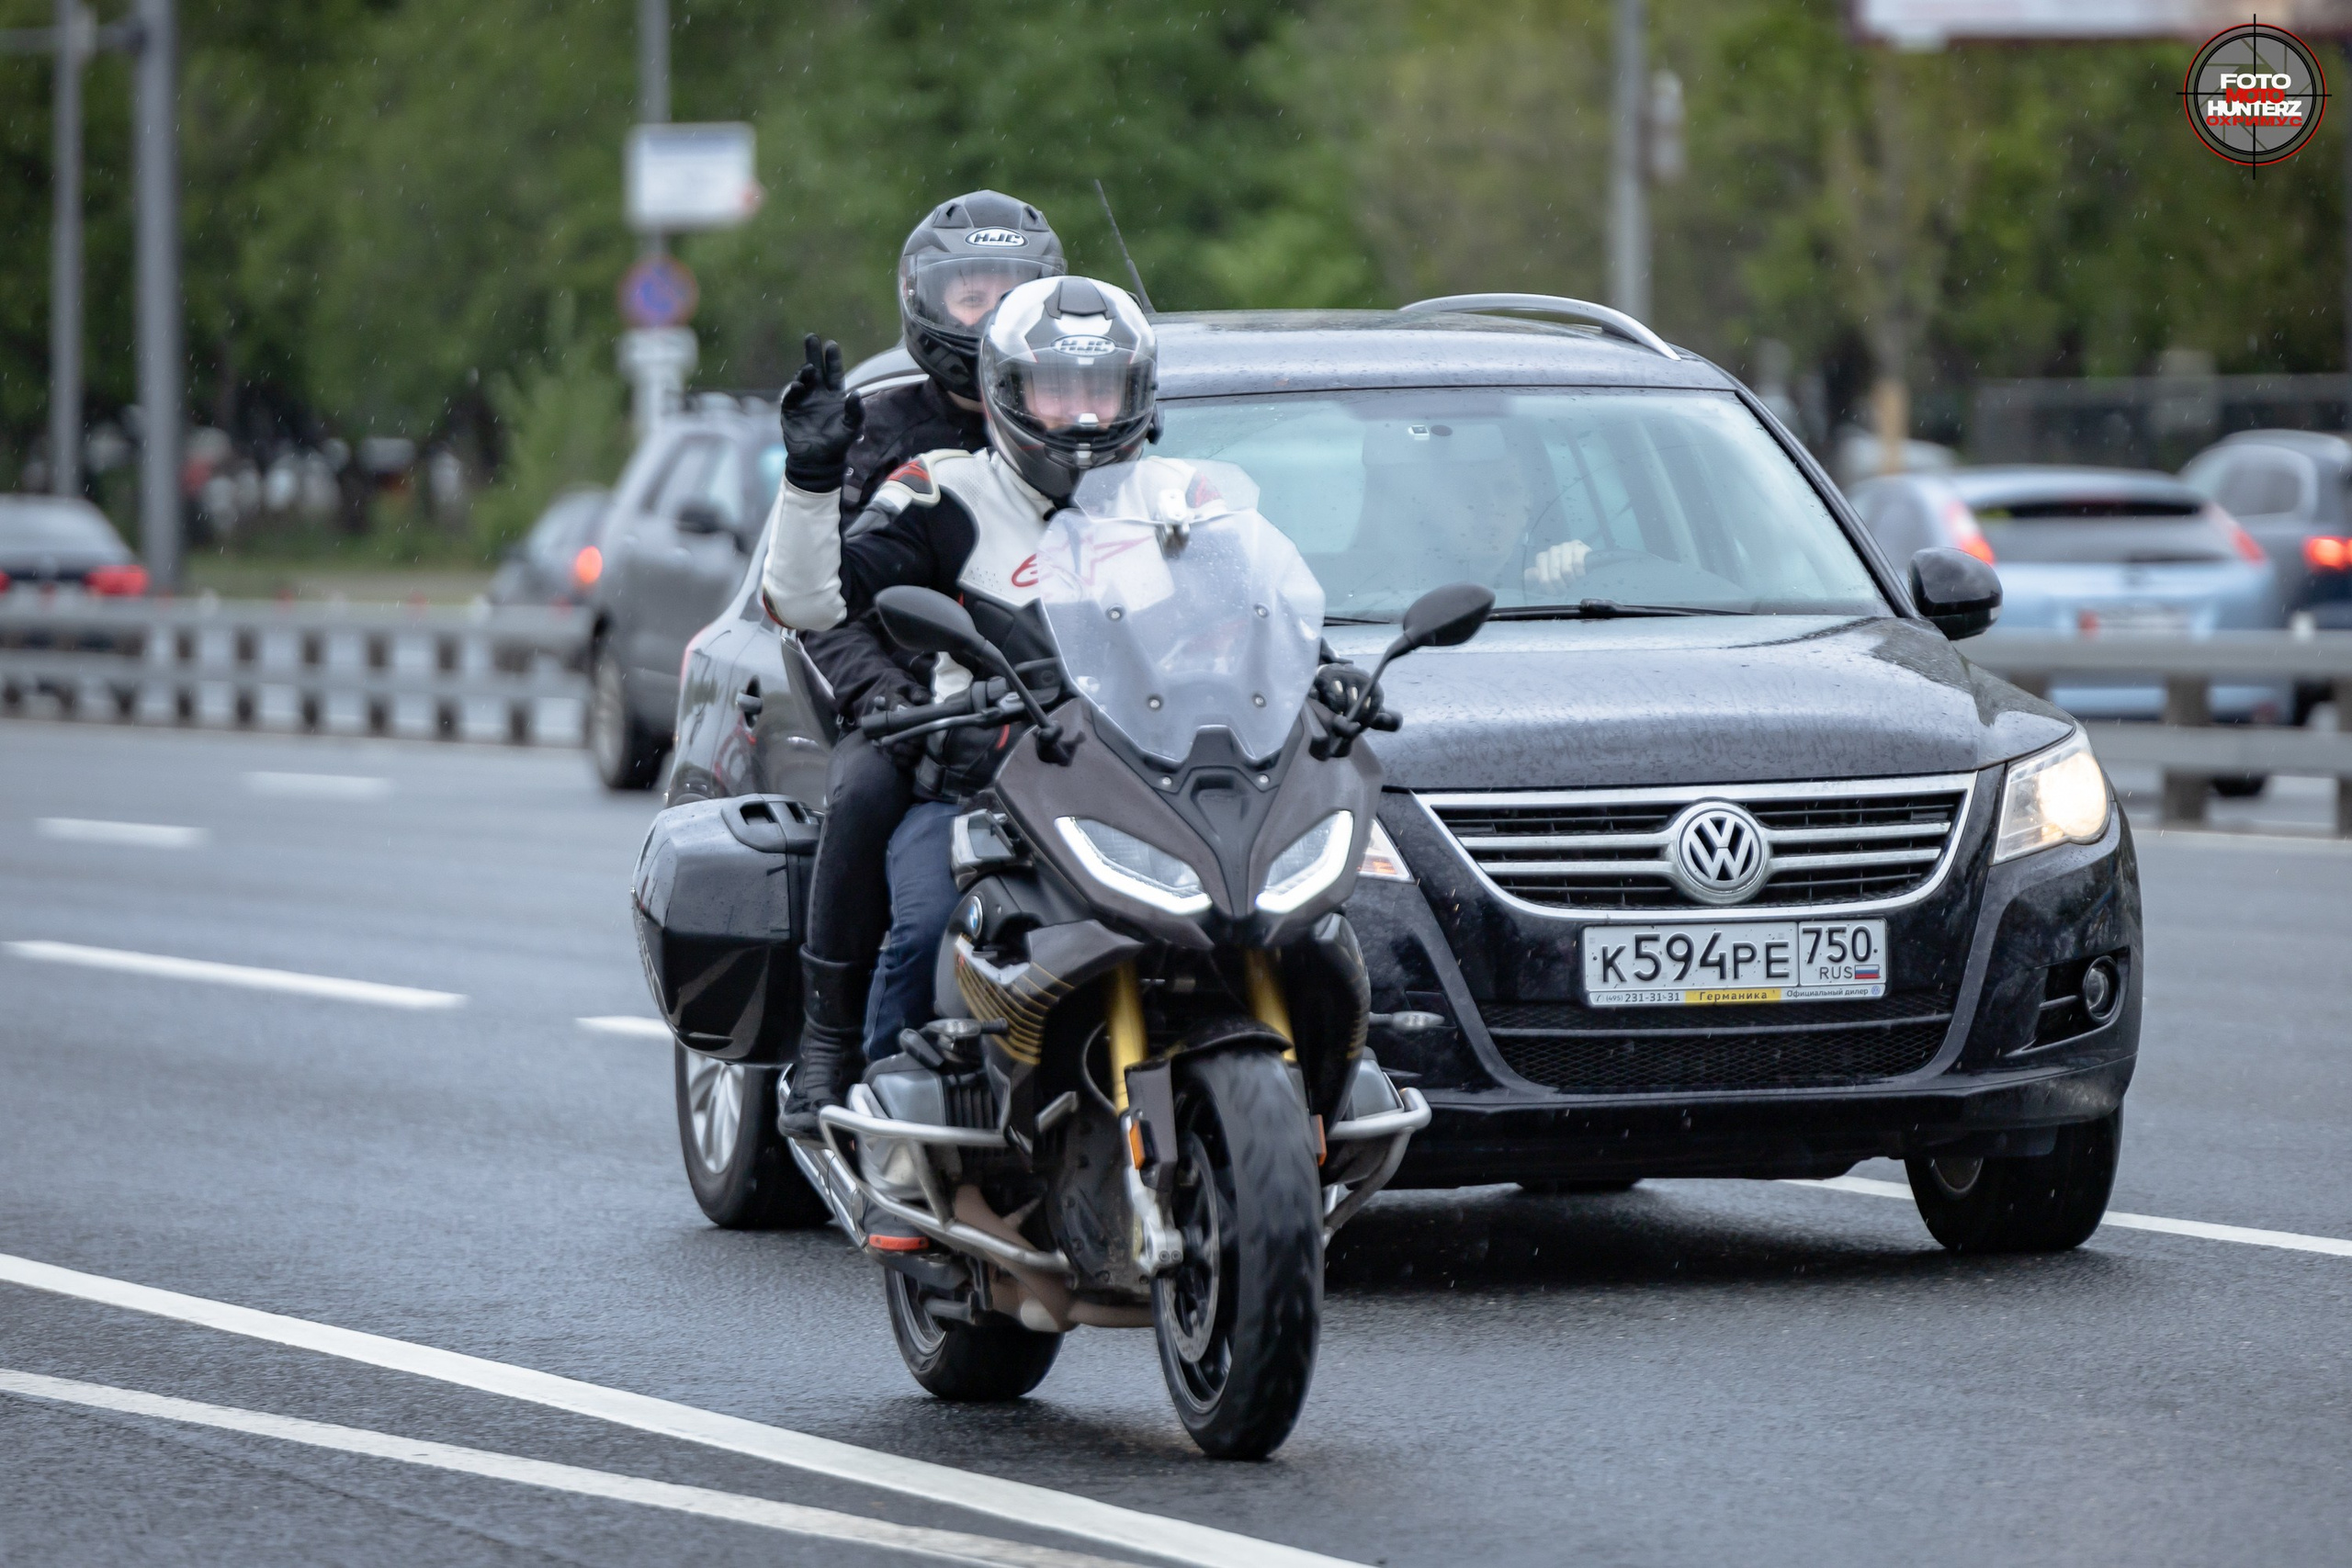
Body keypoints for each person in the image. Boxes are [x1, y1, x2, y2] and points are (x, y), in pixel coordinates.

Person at [767, 272, 1156, 1135]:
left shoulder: (1174, 503)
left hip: (1142, 792)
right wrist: (810, 478)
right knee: (929, 928)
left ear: (1137, 394)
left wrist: (1319, 668)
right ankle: (883, 1111)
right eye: (1058, 390)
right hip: (979, 791)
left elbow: (1249, 614)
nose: (1083, 416)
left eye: (1101, 389)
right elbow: (810, 602)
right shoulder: (939, 489)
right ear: (1006, 391)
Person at [779, 196, 1067, 1139]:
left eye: (1013, 293)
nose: (988, 313)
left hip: (1051, 693)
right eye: (969, 293)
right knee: (866, 785)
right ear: (923, 302)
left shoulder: (1083, 420)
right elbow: (827, 599)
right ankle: (828, 1042)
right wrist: (889, 696)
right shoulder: (874, 428)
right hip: (905, 689)